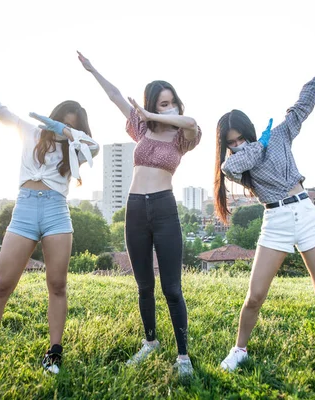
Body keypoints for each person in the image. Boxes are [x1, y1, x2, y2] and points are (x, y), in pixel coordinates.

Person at [0, 53, 99, 380]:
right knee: (2, 284)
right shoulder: (30, 131)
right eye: (62, 121)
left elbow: (94, 146)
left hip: (57, 211)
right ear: (52, 118)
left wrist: (68, 134)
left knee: (57, 284)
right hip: (25, 209)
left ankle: (54, 353)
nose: (65, 128)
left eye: (73, 125)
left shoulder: (77, 147)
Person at [214, 39, 315, 390]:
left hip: (305, 212)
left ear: (248, 128)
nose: (237, 144)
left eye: (240, 137)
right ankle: (239, 349)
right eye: (231, 141)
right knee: (254, 296)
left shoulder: (279, 134)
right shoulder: (240, 158)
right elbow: (231, 167)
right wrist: (254, 146)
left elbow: (303, 105)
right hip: (274, 220)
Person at [78, 51, 201, 377]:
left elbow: (191, 123)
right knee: (144, 284)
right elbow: (115, 95)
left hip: (164, 207)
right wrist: (93, 70)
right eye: (163, 103)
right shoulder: (141, 130)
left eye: (172, 101)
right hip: (134, 209)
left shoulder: (181, 138)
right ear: (152, 104)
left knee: (172, 288)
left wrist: (152, 112)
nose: (170, 107)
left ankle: (183, 355)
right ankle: (150, 342)